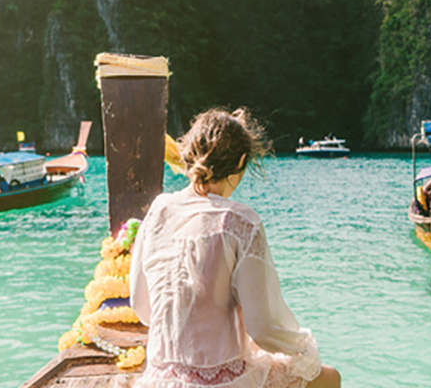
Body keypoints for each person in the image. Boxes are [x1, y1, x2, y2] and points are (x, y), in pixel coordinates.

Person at [130, 107, 341, 388]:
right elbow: (263, 329)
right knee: (327, 378)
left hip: (159, 380)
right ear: (242, 160)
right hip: (223, 384)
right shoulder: (239, 222)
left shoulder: (159, 210)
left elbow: (141, 307)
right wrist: (303, 348)